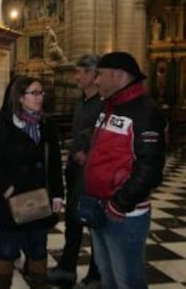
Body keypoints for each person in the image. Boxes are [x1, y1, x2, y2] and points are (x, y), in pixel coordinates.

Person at [85, 52, 166, 289]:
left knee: (128, 282)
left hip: (124, 214)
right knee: (107, 277)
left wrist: (119, 203)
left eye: (100, 74)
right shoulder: (109, 107)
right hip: (100, 208)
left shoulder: (145, 111)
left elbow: (150, 169)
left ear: (118, 75)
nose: (95, 80)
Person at [0, 76, 64, 289]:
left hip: (39, 199)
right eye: (34, 93)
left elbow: (54, 163)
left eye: (41, 93)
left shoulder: (46, 125)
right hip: (11, 201)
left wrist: (57, 194)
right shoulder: (3, 125)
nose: (40, 97)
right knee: (6, 250)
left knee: (38, 249)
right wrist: (4, 188)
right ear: (20, 97)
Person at [47, 54, 102, 288]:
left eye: (80, 72)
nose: (76, 76)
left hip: (91, 173)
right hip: (75, 171)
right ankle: (67, 268)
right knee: (72, 221)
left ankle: (96, 275)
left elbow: (103, 138)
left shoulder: (104, 103)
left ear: (93, 74)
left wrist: (88, 156)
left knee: (95, 224)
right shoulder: (82, 101)